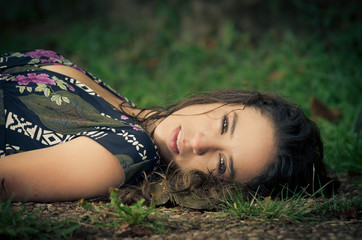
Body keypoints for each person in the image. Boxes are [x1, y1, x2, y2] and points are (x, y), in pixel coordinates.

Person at [0, 49, 338, 206]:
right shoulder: (121, 107)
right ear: (223, 100)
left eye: (221, 164)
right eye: (224, 123)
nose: (200, 142)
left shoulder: (123, 153)